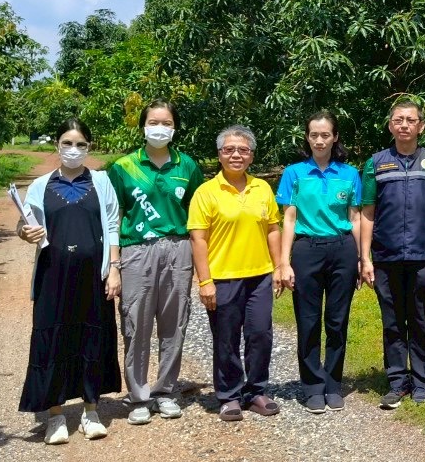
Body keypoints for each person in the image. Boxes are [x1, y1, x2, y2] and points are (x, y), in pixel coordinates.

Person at [16, 119, 122, 445]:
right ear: (56, 145)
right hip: (53, 275)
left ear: (89, 147)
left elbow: (114, 225)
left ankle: (91, 411)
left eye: (80, 144)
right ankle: (55, 415)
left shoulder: (102, 182)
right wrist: (25, 231)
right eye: (67, 143)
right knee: (53, 339)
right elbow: (25, 224)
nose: (73, 150)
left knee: (93, 337)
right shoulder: (39, 186)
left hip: (94, 276)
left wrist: (115, 268)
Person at [108, 100, 204, 425]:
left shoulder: (187, 166)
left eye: (165, 122)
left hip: (178, 249)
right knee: (136, 321)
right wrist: (114, 263)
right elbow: (114, 216)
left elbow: (198, 214)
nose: (159, 128)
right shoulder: (123, 167)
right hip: (137, 249)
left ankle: (165, 391)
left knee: (174, 320)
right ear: (143, 126)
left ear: (174, 128)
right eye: (153, 122)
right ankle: (138, 395)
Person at [360, 100, 425, 408]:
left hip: (423, 254)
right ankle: (398, 381)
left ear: (421, 126)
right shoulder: (376, 163)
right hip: (386, 256)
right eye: (398, 119)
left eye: (410, 120)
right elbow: (367, 212)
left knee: (420, 318)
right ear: (390, 126)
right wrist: (365, 257)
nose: (404, 125)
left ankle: (422, 380)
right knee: (392, 320)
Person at [188, 125, 283, 421]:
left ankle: (255, 390)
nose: (236, 155)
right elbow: (198, 238)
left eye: (243, 150)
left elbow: (272, 229)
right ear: (219, 155)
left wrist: (279, 265)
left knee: (260, 334)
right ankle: (229, 394)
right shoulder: (206, 192)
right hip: (223, 277)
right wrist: (205, 281)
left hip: (259, 277)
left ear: (251, 156)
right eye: (229, 150)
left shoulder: (262, 188)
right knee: (226, 338)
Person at [276, 111, 362, 414]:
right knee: (308, 320)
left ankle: (332, 384)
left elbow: (355, 218)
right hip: (306, 249)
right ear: (307, 138)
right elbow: (288, 218)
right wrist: (283, 262)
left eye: (325, 134)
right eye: (314, 135)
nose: (320, 140)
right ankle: (312, 386)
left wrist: (363, 257)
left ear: (335, 137)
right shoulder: (294, 173)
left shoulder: (350, 174)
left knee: (337, 321)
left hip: (342, 250)